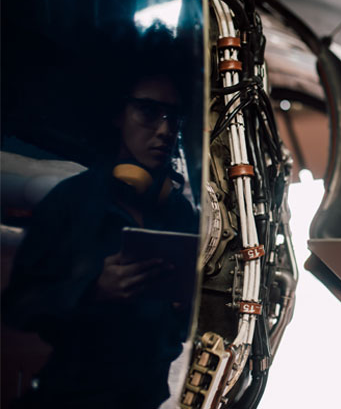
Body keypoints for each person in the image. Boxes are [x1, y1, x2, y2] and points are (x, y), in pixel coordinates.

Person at [2, 27, 198, 408]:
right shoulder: (71, 202)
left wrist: (184, 309)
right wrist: (92, 290)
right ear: (116, 114)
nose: (164, 130)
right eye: (148, 111)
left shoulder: (179, 212)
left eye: (173, 117)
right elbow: (18, 308)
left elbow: (178, 328)